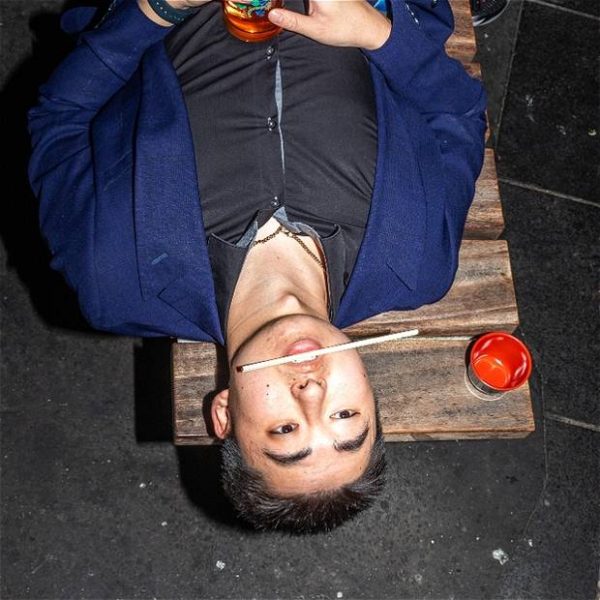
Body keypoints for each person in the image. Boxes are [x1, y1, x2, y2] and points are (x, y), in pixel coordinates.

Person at [27, 0, 486, 532]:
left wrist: (157, 11)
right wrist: (380, 36)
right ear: (370, 389)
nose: (311, 393)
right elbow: (457, 114)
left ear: (224, 413)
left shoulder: (115, 282)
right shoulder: (418, 262)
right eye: (345, 416)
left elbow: (60, 116)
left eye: (285, 430)